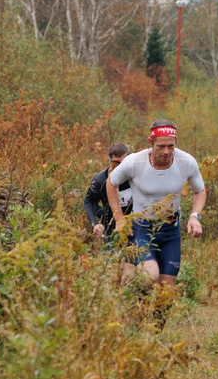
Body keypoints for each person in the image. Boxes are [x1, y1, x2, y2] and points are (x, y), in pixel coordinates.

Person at [106, 119, 206, 287]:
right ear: (150, 142)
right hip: (141, 228)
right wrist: (119, 218)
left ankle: (154, 313)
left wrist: (195, 216)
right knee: (149, 276)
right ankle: (137, 309)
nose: (166, 151)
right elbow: (111, 183)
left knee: (166, 289)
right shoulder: (134, 162)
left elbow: (200, 190)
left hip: (170, 230)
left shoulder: (186, 162)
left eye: (171, 146)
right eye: (160, 146)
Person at [84, 142, 133, 240]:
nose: (120, 166)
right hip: (111, 229)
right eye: (116, 162)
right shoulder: (100, 180)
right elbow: (89, 201)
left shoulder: (136, 176)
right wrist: (96, 223)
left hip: (135, 226)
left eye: (123, 162)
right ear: (109, 160)